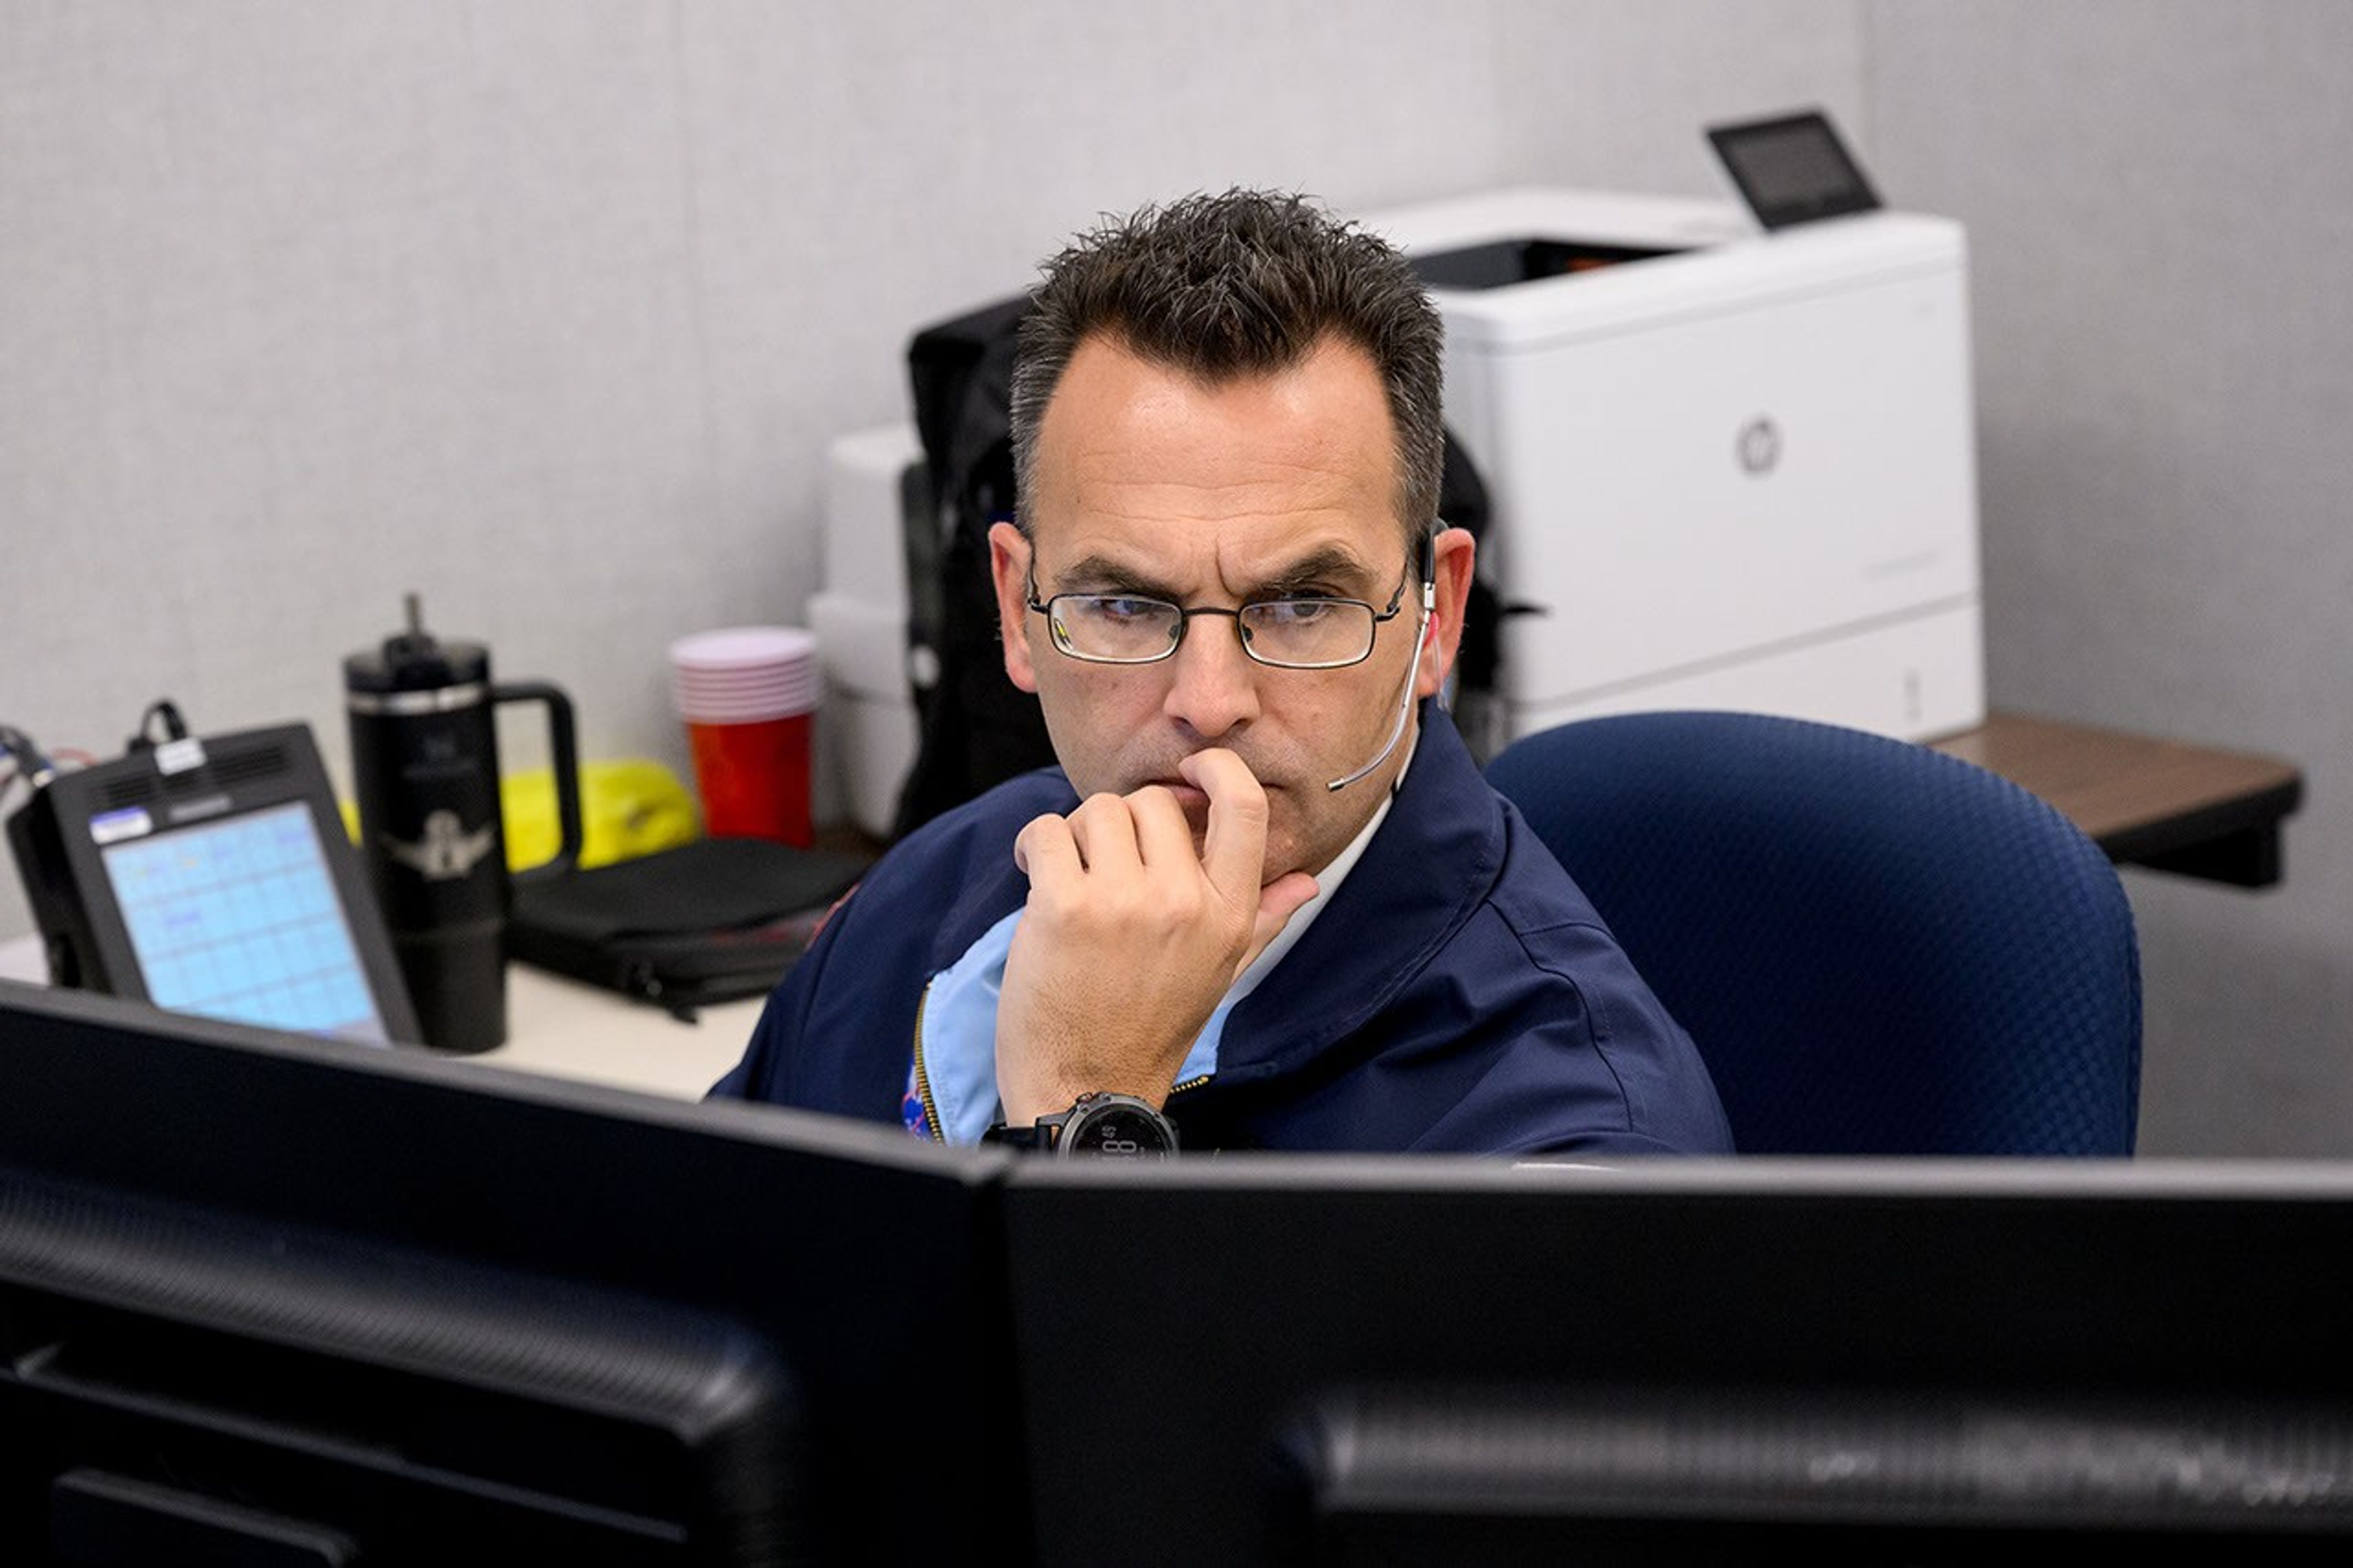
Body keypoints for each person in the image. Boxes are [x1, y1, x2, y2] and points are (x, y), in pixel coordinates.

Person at [710, 188, 1732, 1157]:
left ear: (1437, 616)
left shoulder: (1573, 1132)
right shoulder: (937, 892)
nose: (1208, 705)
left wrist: (1086, 1105)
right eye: (1123, 605)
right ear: (1018, 612)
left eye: (1299, 607)